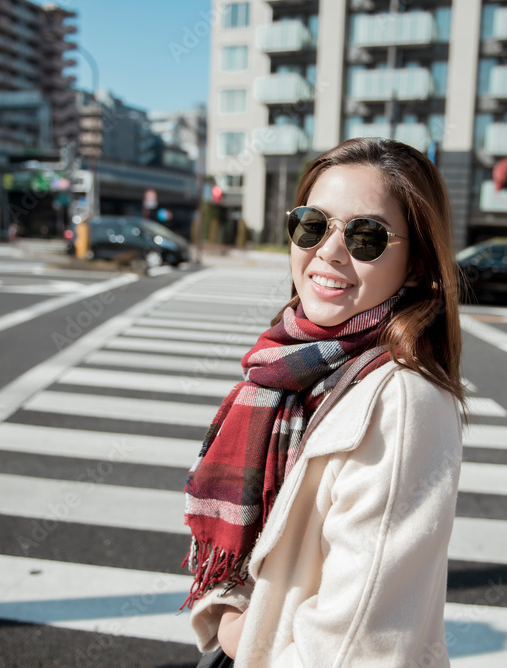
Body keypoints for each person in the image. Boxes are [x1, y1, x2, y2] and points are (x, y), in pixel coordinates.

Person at [182, 137, 465, 666]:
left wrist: (246, 641)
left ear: (417, 264)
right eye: (312, 224)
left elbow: (358, 647)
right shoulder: (292, 365)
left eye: (366, 236)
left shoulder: (402, 402)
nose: (329, 251)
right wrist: (228, 617)